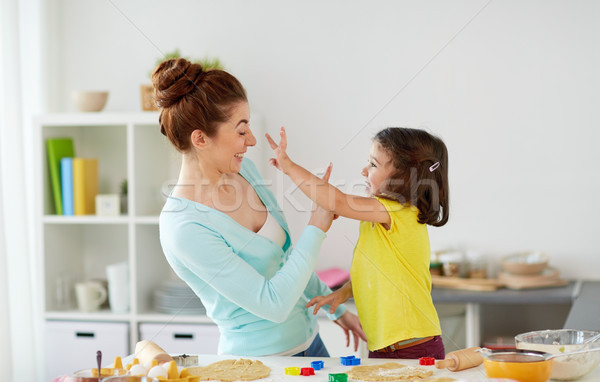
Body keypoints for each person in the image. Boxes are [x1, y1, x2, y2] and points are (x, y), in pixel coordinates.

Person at [154, 58, 365, 357]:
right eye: (241, 131)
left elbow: (287, 258)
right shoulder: (184, 227)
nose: (251, 140)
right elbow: (273, 304)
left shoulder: (245, 171)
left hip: (313, 347)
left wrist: (336, 308)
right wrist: (317, 225)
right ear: (200, 138)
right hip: (260, 366)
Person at [266, 126, 449, 359]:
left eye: (373, 164)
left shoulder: (399, 212)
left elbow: (338, 201)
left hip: (413, 349)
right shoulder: (379, 218)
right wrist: (343, 293)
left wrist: (289, 166)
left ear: (403, 176)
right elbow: (376, 271)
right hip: (385, 348)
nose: (364, 171)